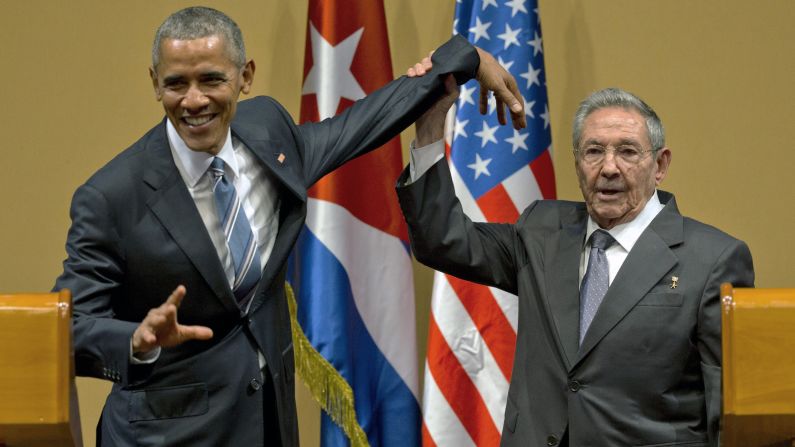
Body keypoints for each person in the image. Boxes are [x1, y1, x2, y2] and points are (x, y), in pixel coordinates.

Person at [54, 6, 524, 447]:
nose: (194, 100)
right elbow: (71, 326)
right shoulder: (111, 196)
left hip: (267, 424)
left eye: (212, 80)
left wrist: (464, 57)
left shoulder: (268, 133)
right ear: (155, 84)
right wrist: (134, 341)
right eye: (176, 83)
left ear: (245, 77)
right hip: (166, 435)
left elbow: (360, 124)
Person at [396, 80, 754, 446]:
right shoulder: (540, 231)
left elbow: (730, 410)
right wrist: (430, 125)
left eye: (628, 152)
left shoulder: (713, 259)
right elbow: (442, 240)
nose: (609, 167)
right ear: (578, 163)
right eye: (594, 151)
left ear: (660, 164)